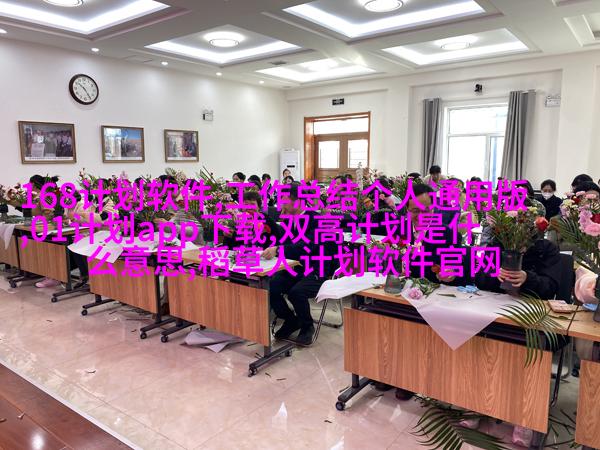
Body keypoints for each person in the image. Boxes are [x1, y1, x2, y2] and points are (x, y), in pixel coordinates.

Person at [261, 183, 336, 346]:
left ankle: (307, 326)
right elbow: (284, 245)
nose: (281, 204)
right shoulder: (289, 220)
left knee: (296, 292)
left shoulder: (316, 220)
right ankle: (291, 320)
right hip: (296, 267)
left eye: (284, 200)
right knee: (271, 286)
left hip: (317, 268)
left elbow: (305, 247)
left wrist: (278, 250)